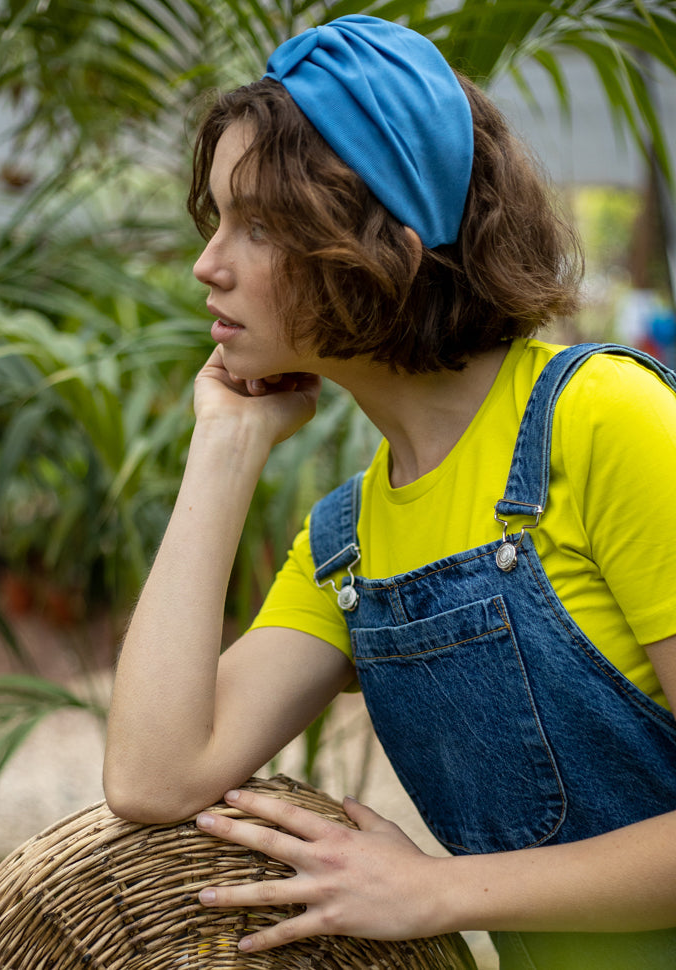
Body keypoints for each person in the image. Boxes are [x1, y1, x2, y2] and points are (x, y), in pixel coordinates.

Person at [103, 15, 676, 970]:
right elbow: (153, 776)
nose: (208, 264)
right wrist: (225, 446)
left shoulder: (605, 420)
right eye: (215, 220)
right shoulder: (351, 544)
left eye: (256, 224)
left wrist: (436, 891)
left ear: (382, 238)